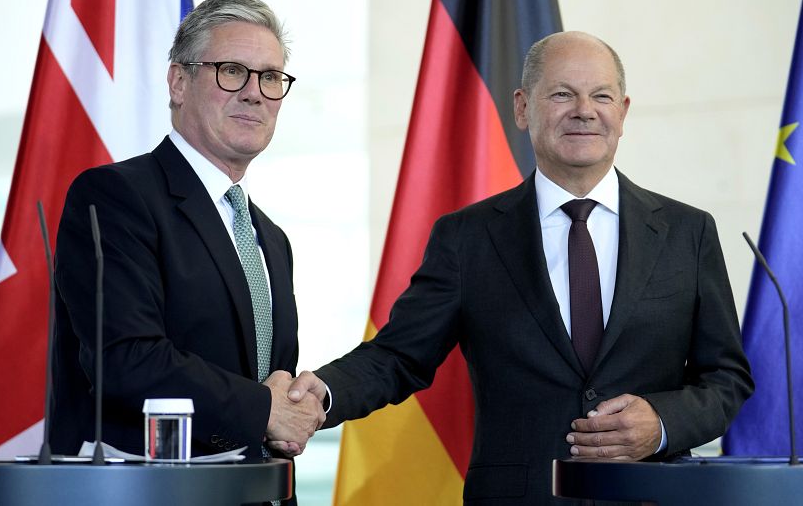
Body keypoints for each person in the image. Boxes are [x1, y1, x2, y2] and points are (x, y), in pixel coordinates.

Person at [282, 31, 754, 504]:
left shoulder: (687, 231)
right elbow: (400, 356)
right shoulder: (467, 237)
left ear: (623, 112)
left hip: (653, 493)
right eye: (562, 94)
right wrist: (321, 394)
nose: (584, 110)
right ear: (523, 107)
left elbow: (726, 378)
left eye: (602, 95)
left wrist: (662, 423)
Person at [50, 0, 323, 501]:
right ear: (178, 82)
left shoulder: (271, 237)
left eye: (269, 77)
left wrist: (292, 408)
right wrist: (263, 409)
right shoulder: (115, 197)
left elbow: (267, 384)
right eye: (232, 71)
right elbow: (127, 360)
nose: (255, 93)